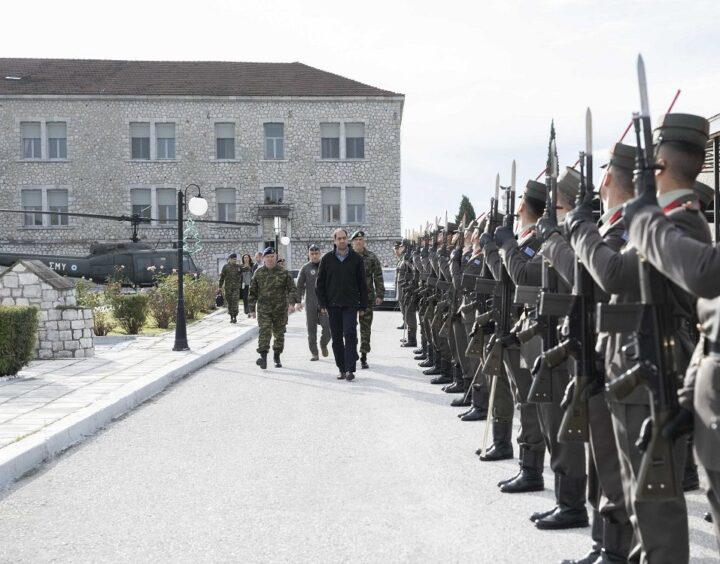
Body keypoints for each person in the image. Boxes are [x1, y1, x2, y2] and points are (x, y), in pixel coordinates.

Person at [568, 113, 711, 563]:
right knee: (636, 493)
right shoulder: (662, 222)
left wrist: (580, 230)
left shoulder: (679, 224)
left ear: (660, 169)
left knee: (656, 502)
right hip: (636, 369)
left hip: (657, 372)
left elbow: (615, 275)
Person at [316, 228, 368, 381]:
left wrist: (363, 306)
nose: (342, 241)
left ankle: (351, 368)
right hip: (333, 305)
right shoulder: (327, 259)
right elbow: (320, 284)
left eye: (344, 238)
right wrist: (322, 304)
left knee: (350, 333)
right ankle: (342, 368)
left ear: (348, 240)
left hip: (350, 304)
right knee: (337, 338)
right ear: (334, 241)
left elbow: (362, 284)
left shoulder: (356, 259)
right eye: (339, 238)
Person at [248, 247, 299, 369]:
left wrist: (292, 303)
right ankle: (263, 358)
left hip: (280, 310)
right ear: (263, 258)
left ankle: (277, 356)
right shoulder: (258, 273)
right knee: (264, 332)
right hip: (263, 309)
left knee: (279, 334)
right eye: (267, 257)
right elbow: (252, 291)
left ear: (275, 257)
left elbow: (292, 288)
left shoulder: (283, 272)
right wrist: (251, 309)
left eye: (272, 257)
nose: (270, 259)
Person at [350, 231, 385, 369]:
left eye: (361, 239)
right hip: (350, 299)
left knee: (365, 329)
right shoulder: (347, 257)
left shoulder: (371, 257)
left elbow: (378, 276)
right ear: (352, 242)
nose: (359, 242)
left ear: (364, 241)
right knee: (350, 329)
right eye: (356, 239)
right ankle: (352, 353)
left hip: (367, 298)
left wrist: (380, 294)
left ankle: (364, 355)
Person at [296, 244, 331, 361]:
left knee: (327, 328)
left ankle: (323, 344)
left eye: (316, 254)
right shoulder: (305, 268)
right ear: (309, 254)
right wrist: (298, 301)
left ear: (320, 254)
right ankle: (314, 353)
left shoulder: (326, 266)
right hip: (310, 301)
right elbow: (299, 286)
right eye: (312, 254)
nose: (314, 256)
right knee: (311, 330)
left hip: (324, 303)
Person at [218, 253, 241, 323]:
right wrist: (219, 286)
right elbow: (222, 277)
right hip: (228, 288)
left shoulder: (238, 266)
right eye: (233, 259)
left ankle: (235, 316)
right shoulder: (225, 267)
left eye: (235, 259)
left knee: (235, 302)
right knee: (230, 303)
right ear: (230, 259)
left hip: (236, 288)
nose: (235, 261)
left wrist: (246, 263)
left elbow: (247, 268)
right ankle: (231, 316)